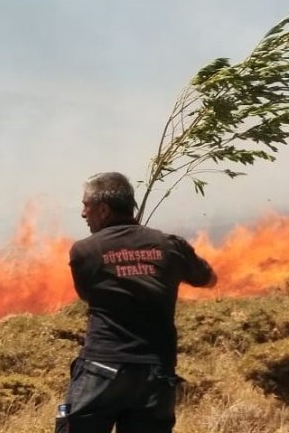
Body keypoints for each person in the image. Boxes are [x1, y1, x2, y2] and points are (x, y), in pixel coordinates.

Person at [56, 171, 217, 433]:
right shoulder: (170, 245)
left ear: (104, 209)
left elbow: (88, 295)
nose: (83, 213)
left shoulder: (85, 251)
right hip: (155, 371)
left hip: (102, 368)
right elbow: (208, 279)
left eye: (86, 205)